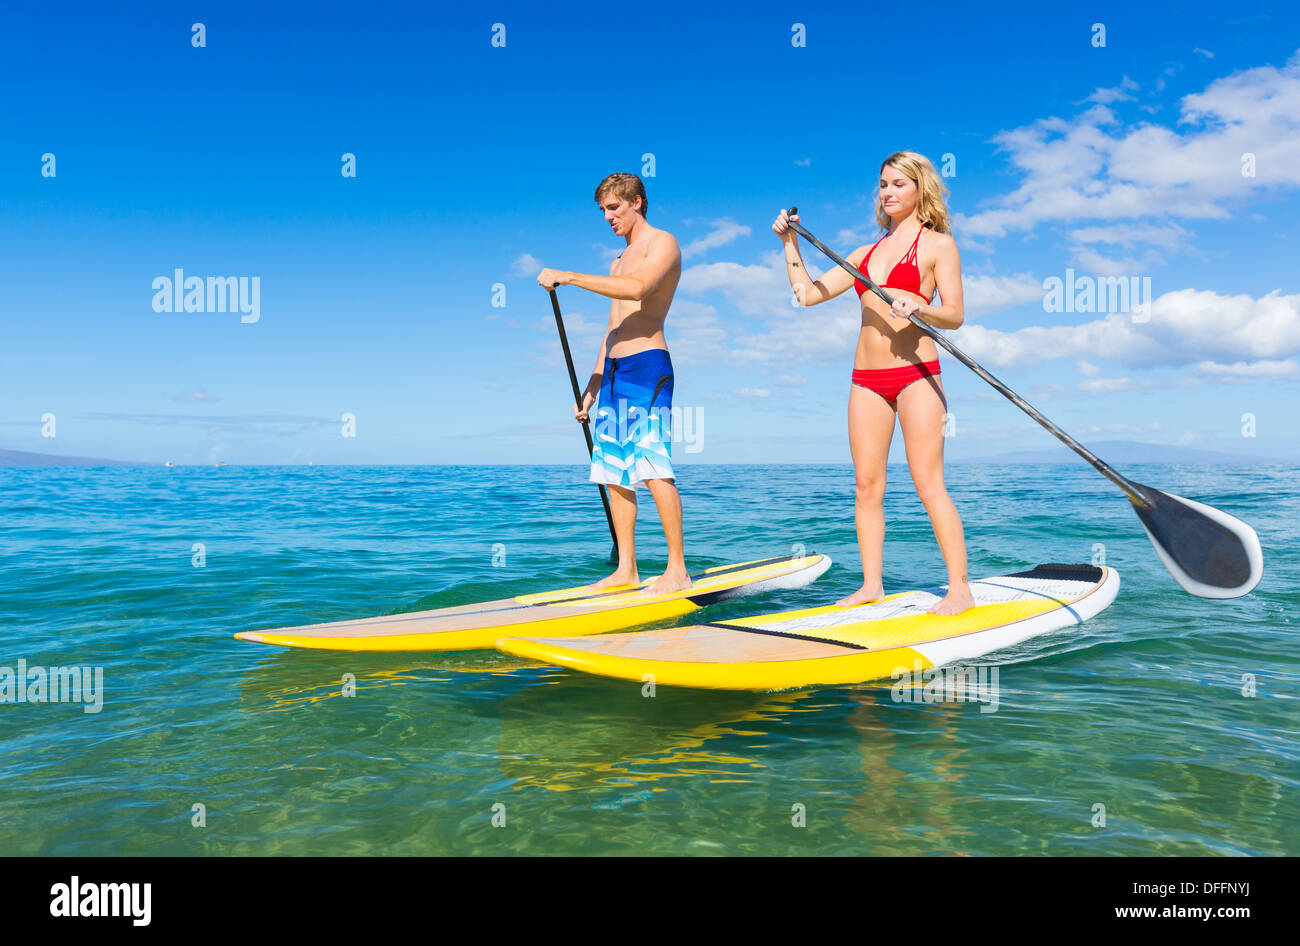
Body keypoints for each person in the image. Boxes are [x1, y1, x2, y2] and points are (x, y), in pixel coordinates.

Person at [772, 151, 975, 615]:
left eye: (899, 184)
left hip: (917, 375)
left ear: (920, 189)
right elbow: (806, 295)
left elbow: (956, 315)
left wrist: (919, 305)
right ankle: (871, 585)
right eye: (883, 184)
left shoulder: (939, 245)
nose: (888, 192)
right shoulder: (864, 254)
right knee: (867, 485)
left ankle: (959, 588)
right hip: (866, 381)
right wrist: (789, 244)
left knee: (929, 484)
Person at [538, 172, 689, 595]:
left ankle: (677, 569)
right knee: (613, 470)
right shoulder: (616, 262)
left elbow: (640, 289)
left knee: (652, 463)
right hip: (615, 372)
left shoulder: (663, 243)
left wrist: (569, 276)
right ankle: (627, 569)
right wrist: (591, 386)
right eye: (603, 210)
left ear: (637, 202)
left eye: (614, 208)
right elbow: (612, 329)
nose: (607, 217)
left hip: (648, 365)